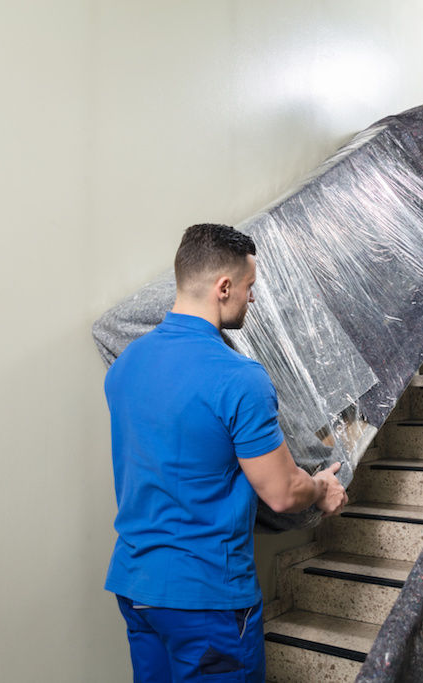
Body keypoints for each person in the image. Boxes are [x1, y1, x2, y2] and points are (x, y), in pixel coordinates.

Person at [103, 223, 348, 682]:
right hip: (207, 598)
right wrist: (321, 487)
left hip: (138, 589)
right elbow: (281, 493)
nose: (251, 299)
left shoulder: (125, 367)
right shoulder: (239, 378)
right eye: (250, 287)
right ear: (224, 287)